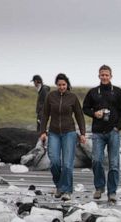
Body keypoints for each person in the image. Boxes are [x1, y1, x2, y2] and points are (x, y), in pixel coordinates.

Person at [82, 64, 121, 204]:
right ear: (99, 76)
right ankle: (99, 187)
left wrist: (118, 127)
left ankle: (112, 192)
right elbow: (85, 108)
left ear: (111, 76)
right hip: (97, 132)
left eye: (106, 75)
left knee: (114, 163)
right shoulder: (93, 92)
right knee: (96, 160)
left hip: (113, 132)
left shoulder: (118, 92)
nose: (104, 77)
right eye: (102, 75)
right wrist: (94, 113)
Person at [38, 73, 86, 201]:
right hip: (53, 133)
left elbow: (79, 116)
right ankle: (59, 185)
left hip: (69, 133)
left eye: (64, 84)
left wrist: (82, 133)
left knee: (67, 164)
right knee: (54, 161)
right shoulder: (50, 96)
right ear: (56, 85)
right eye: (59, 85)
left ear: (67, 85)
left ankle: (67, 191)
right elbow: (45, 115)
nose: (61, 87)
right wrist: (42, 132)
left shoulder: (73, 97)